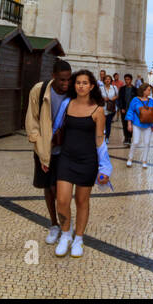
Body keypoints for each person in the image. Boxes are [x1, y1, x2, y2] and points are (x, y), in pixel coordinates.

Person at [53, 68, 105, 258]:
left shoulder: (98, 110)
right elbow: (56, 128)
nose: (81, 86)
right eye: (78, 82)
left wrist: (105, 166)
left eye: (85, 83)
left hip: (87, 160)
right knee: (62, 201)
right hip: (66, 158)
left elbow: (100, 139)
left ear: (91, 86)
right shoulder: (67, 105)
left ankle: (79, 238)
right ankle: (66, 234)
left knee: (82, 201)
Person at [24, 59, 73, 247]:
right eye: (62, 80)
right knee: (48, 186)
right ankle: (54, 224)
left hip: (65, 150)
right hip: (44, 149)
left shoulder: (73, 92)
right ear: (53, 77)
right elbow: (32, 120)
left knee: (59, 189)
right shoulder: (39, 90)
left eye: (68, 79)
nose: (65, 84)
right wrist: (40, 143)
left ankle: (65, 225)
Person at [126, 82, 153, 167]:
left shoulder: (151, 101)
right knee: (135, 142)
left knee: (147, 142)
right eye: (148, 90)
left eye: (150, 90)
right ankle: (130, 158)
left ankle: (144, 161)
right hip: (137, 124)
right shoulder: (135, 100)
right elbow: (130, 111)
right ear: (143, 91)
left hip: (148, 124)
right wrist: (129, 123)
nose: (150, 92)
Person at [117, 72, 135, 145]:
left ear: (131, 80)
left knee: (130, 124)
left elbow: (136, 100)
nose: (127, 81)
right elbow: (120, 99)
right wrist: (121, 108)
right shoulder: (122, 89)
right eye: (126, 79)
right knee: (124, 124)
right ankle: (126, 137)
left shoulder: (135, 89)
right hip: (124, 110)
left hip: (132, 110)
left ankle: (129, 138)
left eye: (128, 79)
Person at [100, 73, 118, 142]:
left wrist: (114, 98)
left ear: (111, 80)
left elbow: (117, 95)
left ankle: (107, 137)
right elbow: (98, 96)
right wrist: (103, 98)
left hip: (111, 108)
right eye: (106, 79)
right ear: (104, 80)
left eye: (109, 79)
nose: (107, 80)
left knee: (108, 123)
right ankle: (100, 136)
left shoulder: (114, 87)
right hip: (103, 108)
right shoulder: (101, 88)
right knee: (101, 123)